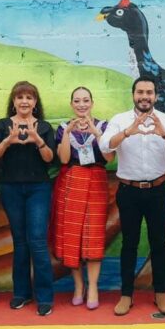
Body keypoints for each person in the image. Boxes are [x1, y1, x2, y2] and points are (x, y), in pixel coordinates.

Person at [99, 76, 165, 317]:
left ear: (156, 96)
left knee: (158, 243)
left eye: (149, 92)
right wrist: (128, 132)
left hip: (157, 191)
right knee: (129, 244)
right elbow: (105, 146)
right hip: (128, 191)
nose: (144, 96)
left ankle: (160, 293)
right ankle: (126, 295)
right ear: (133, 95)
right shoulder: (120, 120)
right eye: (140, 92)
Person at [0, 81, 57, 317]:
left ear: (35, 102)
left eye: (29, 97)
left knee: (37, 241)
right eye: (20, 97)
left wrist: (37, 139)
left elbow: (50, 158)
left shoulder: (46, 127)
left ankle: (45, 296)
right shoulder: (2, 125)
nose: (25, 101)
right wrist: (8, 140)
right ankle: (21, 293)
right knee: (19, 242)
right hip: (11, 189)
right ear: (14, 101)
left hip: (38, 188)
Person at [50, 86, 112, 310]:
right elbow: (64, 159)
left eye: (86, 100)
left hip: (96, 179)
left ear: (92, 103)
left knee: (93, 234)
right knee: (71, 235)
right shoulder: (64, 128)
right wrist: (68, 133)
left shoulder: (104, 126)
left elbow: (109, 157)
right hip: (71, 180)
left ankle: (93, 286)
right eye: (77, 101)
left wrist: (96, 132)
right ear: (71, 104)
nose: (82, 105)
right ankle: (79, 286)